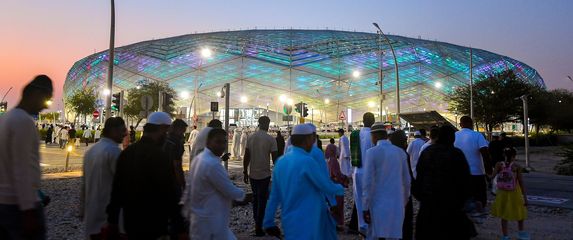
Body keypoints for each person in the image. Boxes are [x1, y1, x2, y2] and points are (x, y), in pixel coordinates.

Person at [106, 112, 184, 239]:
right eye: (165, 132)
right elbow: (168, 193)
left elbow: (117, 190)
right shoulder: (160, 156)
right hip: (154, 223)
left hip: (131, 222)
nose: (166, 136)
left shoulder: (127, 153)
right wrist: (180, 226)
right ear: (161, 129)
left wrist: (112, 221)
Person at [263, 124, 344, 240]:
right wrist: (340, 189)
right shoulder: (307, 161)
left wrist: (268, 221)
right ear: (307, 140)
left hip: (290, 221)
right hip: (311, 219)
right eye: (312, 138)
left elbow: (274, 196)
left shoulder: (281, 162)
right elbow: (325, 185)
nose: (313, 142)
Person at [0, 75, 53, 239]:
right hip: (19, 206)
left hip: (4, 203)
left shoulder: (6, 118)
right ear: (36, 93)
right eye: (46, 100)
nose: (44, 107)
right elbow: (22, 169)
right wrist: (28, 210)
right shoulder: (23, 121)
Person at [413, 125, 476, 239]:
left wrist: (423, 197)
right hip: (451, 210)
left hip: (428, 209)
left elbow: (419, 179)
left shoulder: (427, 152)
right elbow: (466, 182)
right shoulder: (457, 154)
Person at [183, 128, 245, 239]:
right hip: (212, 223)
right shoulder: (212, 164)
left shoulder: (200, 158)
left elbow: (189, 188)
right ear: (208, 142)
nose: (222, 146)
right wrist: (242, 194)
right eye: (218, 142)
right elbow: (230, 191)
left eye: (224, 142)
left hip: (201, 220)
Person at [80, 117, 127, 239]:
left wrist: (82, 209)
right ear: (113, 131)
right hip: (108, 216)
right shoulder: (114, 152)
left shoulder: (91, 151)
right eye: (122, 130)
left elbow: (84, 184)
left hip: (92, 212)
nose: (125, 134)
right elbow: (123, 186)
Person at [362, 124, 411, 240]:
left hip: (378, 205)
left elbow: (367, 183)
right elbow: (407, 181)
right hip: (397, 205)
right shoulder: (400, 153)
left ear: (374, 136)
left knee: (379, 234)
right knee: (394, 235)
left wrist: (365, 206)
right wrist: (404, 201)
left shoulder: (371, 153)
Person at [243, 117, 279, 237]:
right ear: (267, 124)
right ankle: (259, 226)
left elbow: (246, 156)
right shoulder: (270, 139)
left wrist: (244, 171)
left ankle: (257, 221)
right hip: (264, 175)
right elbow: (275, 159)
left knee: (255, 198)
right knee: (262, 200)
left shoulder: (251, 137)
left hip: (253, 174)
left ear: (259, 124)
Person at [454, 116, 491, 216]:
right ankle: (478, 214)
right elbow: (485, 154)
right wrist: (489, 172)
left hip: (459, 174)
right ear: (472, 124)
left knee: (461, 197)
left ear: (460, 125)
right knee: (479, 197)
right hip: (477, 172)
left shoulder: (454, 135)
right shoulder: (477, 135)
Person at [490, 147, 529, 240]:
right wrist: (525, 197)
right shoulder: (516, 166)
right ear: (514, 156)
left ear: (503, 155)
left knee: (504, 215)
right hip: (514, 192)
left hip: (502, 193)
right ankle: (521, 234)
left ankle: (505, 236)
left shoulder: (499, 164)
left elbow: (492, 176)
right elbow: (521, 182)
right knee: (520, 212)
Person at [349, 112, 376, 235]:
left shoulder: (355, 134)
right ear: (371, 121)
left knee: (359, 200)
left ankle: (362, 227)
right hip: (369, 173)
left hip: (356, 171)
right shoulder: (373, 135)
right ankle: (370, 228)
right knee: (370, 200)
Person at [389, 130, 415, 240]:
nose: (406, 142)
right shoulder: (403, 154)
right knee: (406, 222)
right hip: (403, 194)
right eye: (404, 140)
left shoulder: (389, 154)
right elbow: (408, 177)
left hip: (391, 194)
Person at [325, 138, 348, 229]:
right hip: (336, 185)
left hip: (331, 184)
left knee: (333, 204)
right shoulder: (334, 160)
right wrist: (344, 178)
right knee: (338, 204)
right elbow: (336, 173)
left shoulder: (329, 160)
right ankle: (338, 223)